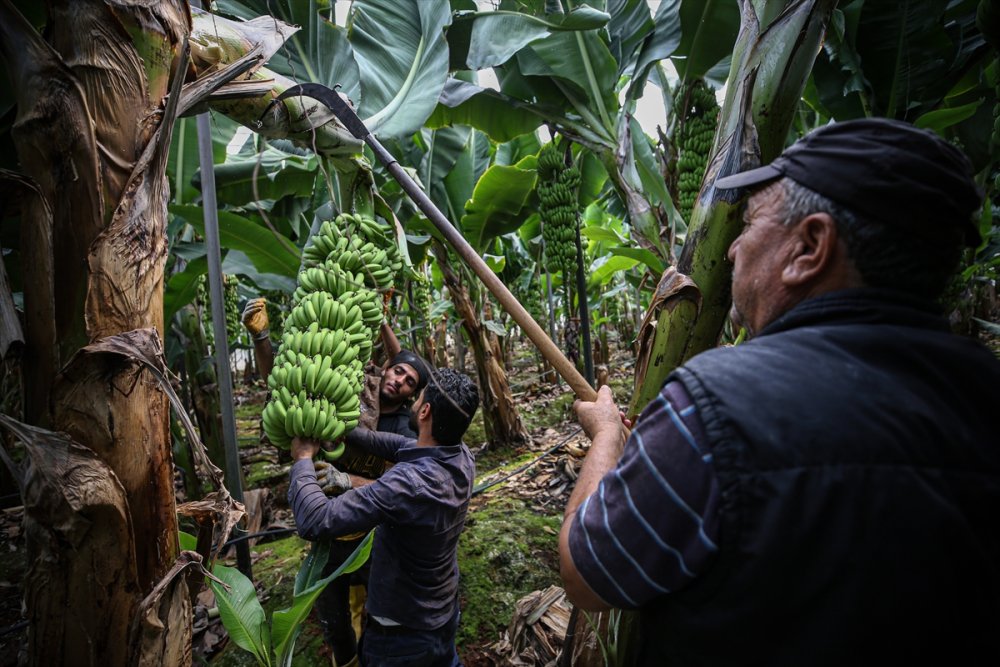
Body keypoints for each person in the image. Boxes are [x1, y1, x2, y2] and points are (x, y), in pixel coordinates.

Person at [559, 118, 1000, 665]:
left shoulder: (711, 408)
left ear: (810, 247)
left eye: (748, 225)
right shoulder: (984, 392)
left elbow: (589, 576)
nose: (731, 251)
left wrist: (605, 438)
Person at [242, 301, 431, 665]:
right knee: (334, 622)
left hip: (374, 537)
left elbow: (401, 483)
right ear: (387, 368)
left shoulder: (404, 432)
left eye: (410, 383)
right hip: (328, 535)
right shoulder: (350, 394)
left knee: (378, 614)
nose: (400, 382)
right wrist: (262, 339)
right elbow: (287, 389)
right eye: (399, 372)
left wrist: (348, 479)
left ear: (413, 395)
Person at [289, 367, 480, 667]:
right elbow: (399, 445)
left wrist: (302, 459)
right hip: (441, 615)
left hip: (402, 637)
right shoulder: (461, 455)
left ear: (425, 410)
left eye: (419, 398)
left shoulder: (409, 484)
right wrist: (344, 429)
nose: (414, 402)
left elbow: (316, 519)